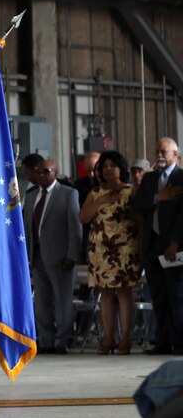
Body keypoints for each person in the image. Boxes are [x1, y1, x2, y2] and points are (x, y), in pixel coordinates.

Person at [79, 150, 141, 354]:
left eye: (111, 166)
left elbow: (140, 220)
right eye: (103, 167)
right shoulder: (95, 193)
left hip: (124, 249)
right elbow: (83, 218)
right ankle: (108, 337)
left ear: (120, 168)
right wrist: (101, 201)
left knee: (124, 292)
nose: (107, 170)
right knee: (104, 293)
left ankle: (125, 338)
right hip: (100, 250)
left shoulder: (131, 191)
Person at [22, 158, 82, 354]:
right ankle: (46, 340)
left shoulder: (68, 194)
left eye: (46, 171)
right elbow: (27, 229)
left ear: (55, 173)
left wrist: (72, 255)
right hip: (37, 255)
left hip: (61, 257)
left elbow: (75, 228)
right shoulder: (31, 196)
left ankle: (61, 341)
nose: (41, 175)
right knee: (41, 302)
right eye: (39, 171)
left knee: (62, 301)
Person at [132, 138, 183, 355]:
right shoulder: (150, 178)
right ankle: (162, 342)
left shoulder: (182, 177)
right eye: (157, 152)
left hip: (174, 246)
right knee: (158, 297)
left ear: (175, 153)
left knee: (177, 297)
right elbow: (137, 205)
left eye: (163, 151)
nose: (159, 155)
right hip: (152, 246)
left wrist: (175, 242)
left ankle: (180, 342)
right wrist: (157, 197)